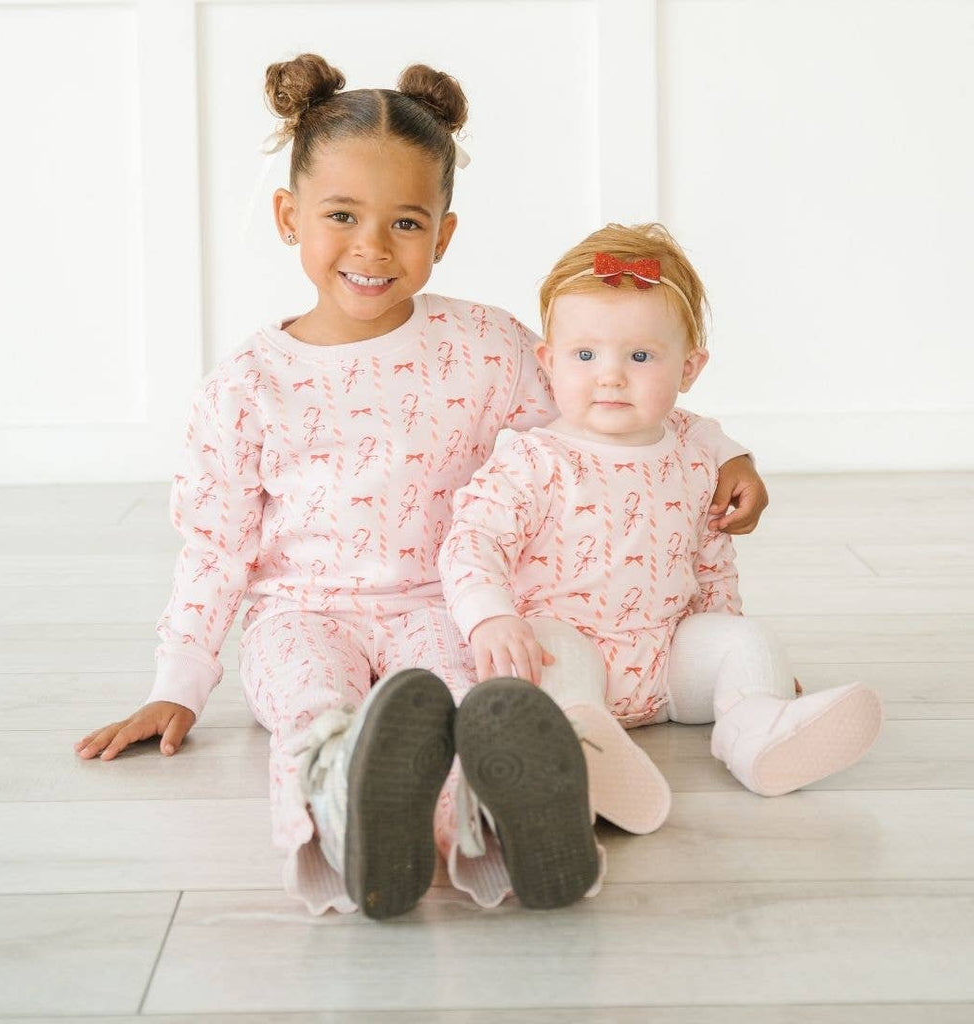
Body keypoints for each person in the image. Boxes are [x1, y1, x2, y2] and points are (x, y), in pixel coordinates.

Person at [73, 56, 768, 919]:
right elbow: (215, 544)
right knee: (314, 708)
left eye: (405, 222)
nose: (371, 247)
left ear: (443, 234)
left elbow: (607, 413)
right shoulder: (247, 384)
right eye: (341, 216)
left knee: (461, 714)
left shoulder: (490, 345)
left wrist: (724, 451)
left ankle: (486, 832)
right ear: (290, 218)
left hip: (443, 601)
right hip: (300, 611)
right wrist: (176, 682)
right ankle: (345, 820)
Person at [439, 222, 883, 822]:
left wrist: (742, 662)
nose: (611, 374)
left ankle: (757, 728)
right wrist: (489, 617)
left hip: (668, 656)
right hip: (571, 641)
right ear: (549, 362)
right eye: (585, 354)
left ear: (689, 369)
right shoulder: (532, 458)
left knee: (749, 642)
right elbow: (472, 540)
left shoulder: (696, 458)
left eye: (641, 356)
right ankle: (583, 747)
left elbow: (713, 565)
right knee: (550, 658)